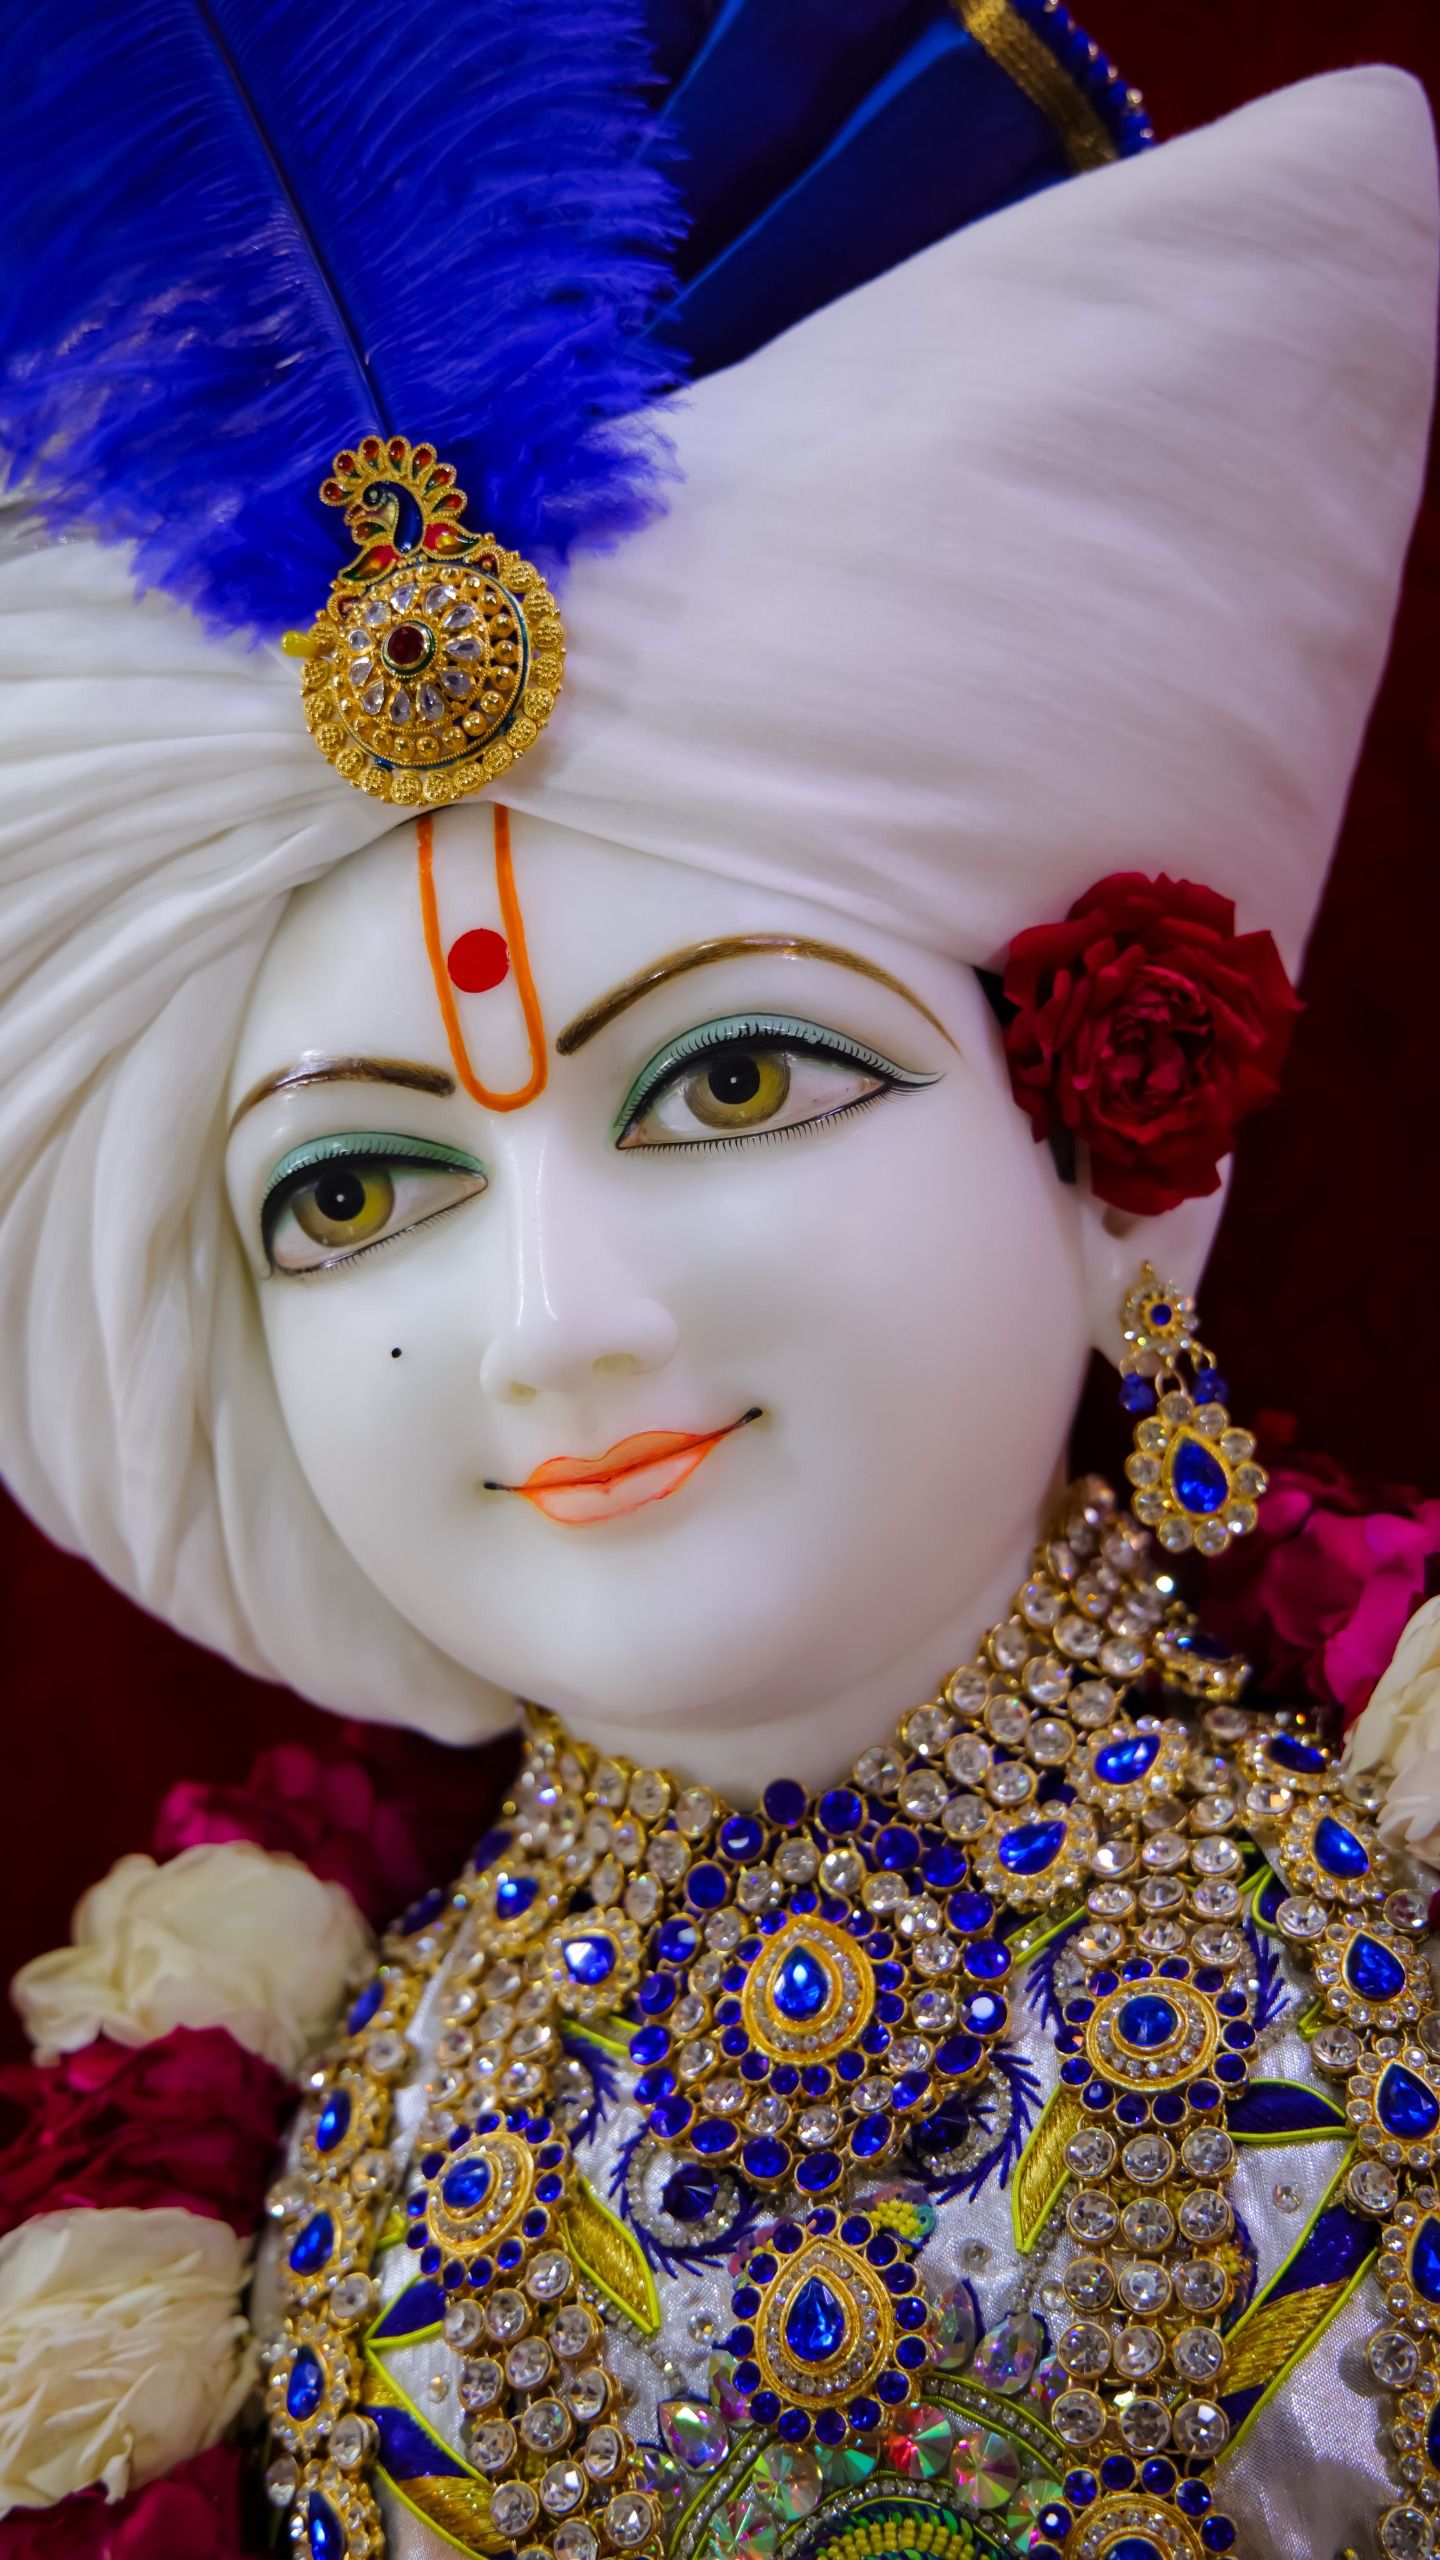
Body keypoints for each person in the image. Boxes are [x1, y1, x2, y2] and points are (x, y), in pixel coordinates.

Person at [0, 5, 1436, 2556]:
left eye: (737, 1087)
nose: (559, 1320)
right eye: (353, 1196)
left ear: (1098, 1119)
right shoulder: (214, 2208)